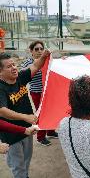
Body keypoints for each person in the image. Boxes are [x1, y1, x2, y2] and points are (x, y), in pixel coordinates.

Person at [0, 50, 51, 178]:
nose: (13, 68)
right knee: (18, 166)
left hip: (28, 130)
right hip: (12, 136)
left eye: (14, 65)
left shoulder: (20, 78)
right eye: (9, 66)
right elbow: (2, 111)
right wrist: (25, 117)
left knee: (26, 161)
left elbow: (35, 66)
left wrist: (44, 56)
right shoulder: (1, 88)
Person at [21, 40, 58, 146]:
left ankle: (50, 131)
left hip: (48, 91)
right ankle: (40, 137)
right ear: (31, 51)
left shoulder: (47, 61)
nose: (39, 51)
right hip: (37, 92)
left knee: (51, 111)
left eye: (41, 49)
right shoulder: (28, 63)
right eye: (36, 49)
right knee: (41, 114)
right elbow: (24, 75)